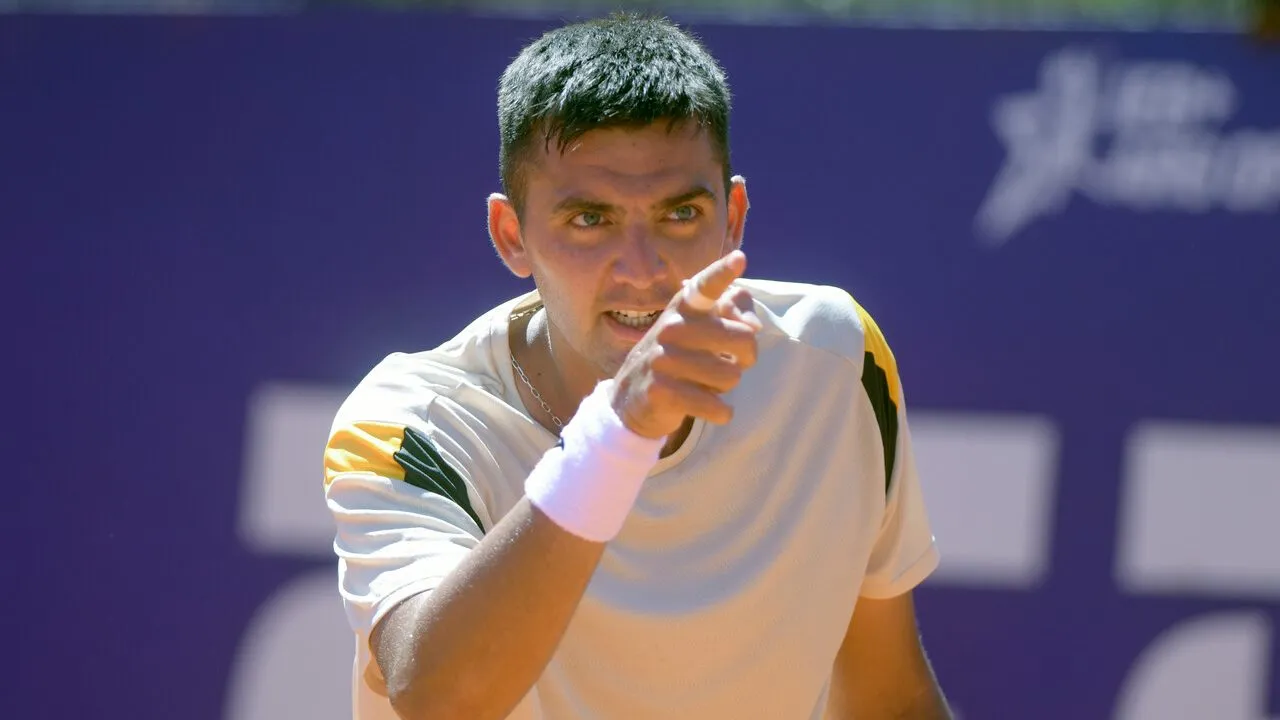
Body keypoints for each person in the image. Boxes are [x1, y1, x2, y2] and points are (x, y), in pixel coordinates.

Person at [322, 12, 951, 720]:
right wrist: (621, 429)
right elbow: (439, 699)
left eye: (680, 215)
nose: (643, 270)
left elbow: (889, 700)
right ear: (512, 235)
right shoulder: (412, 425)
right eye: (590, 220)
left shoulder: (835, 360)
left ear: (733, 217)